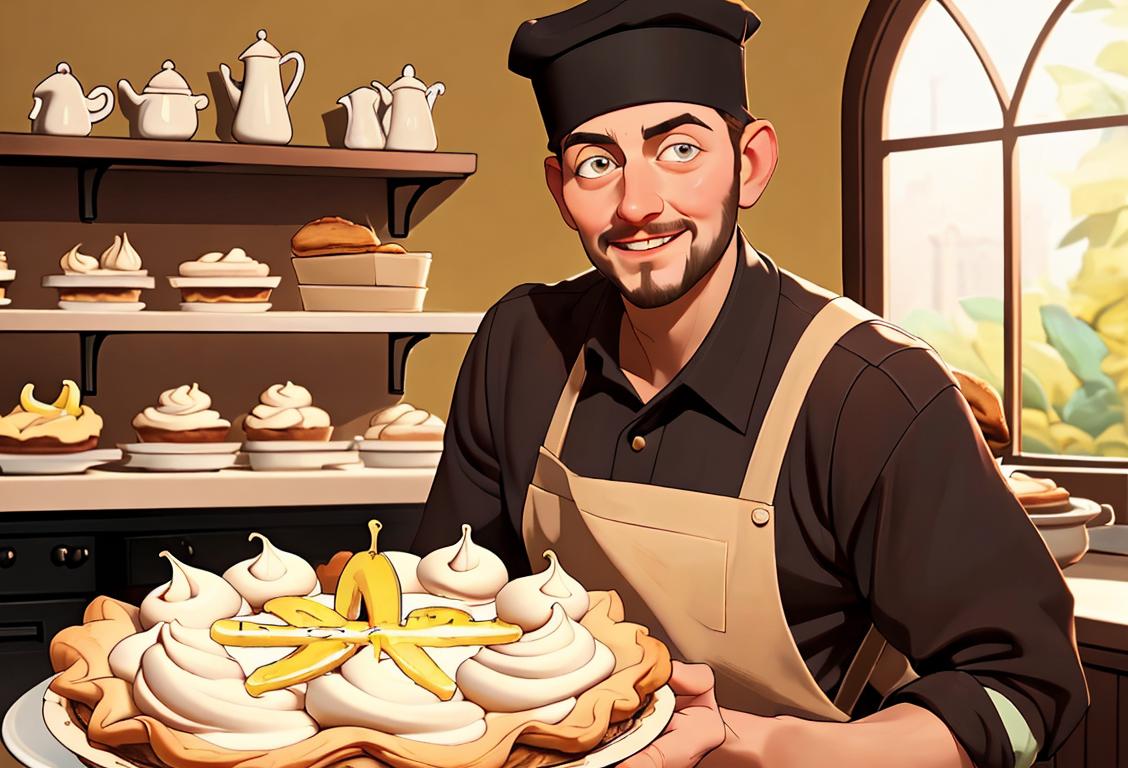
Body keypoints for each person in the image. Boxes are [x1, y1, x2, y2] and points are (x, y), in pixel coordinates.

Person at [412, 1, 1089, 766]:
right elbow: (448, 614)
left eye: (679, 150)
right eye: (596, 163)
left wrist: (747, 740)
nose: (637, 204)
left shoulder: (872, 393)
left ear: (752, 162)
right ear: (558, 187)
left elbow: (1022, 693)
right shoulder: (520, 346)